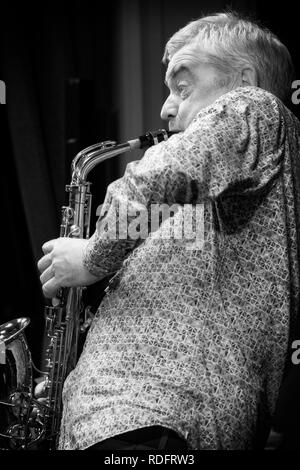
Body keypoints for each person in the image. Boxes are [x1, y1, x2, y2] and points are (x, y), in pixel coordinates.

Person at [37, 11, 300, 450]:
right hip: (144, 419)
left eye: (183, 85)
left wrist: (90, 257)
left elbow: (163, 174)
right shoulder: (219, 195)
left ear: (244, 79)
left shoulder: (254, 104)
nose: (166, 107)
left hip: (149, 418)